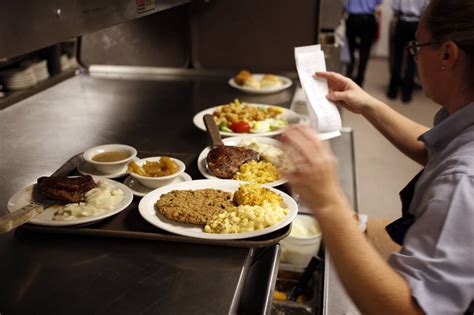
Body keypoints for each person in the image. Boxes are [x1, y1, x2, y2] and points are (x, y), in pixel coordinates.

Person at [281, 0, 474, 313]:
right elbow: (436, 152)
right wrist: (367, 104)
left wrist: (329, 202)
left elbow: (410, 309)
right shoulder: (464, 133)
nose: (414, 55)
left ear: (447, 55)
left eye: (417, 46)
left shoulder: (464, 181)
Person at [387, 0, 429, 103]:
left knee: (397, 58)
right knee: (412, 59)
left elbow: (395, 7)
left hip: (402, 24)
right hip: (416, 26)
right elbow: (426, 8)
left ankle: (393, 91)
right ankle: (406, 94)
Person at [343, 0, 383, 87]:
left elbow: (344, 3)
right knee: (364, 52)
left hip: (353, 18)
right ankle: (359, 81)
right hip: (368, 19)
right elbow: (379, 2)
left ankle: (348, 77)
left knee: (350, 50)